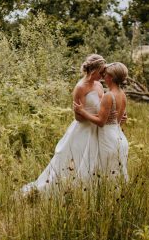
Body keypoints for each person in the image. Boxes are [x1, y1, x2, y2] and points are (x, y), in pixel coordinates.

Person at [21, 54, 106, 194]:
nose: (103, 74)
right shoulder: (80, 87)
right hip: (83, 130)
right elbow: (78, 116)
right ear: (93, 70)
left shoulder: (99, 85)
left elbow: (103, 105)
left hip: (97, 128)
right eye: (101, 71)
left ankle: (92, 190)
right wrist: (96, 117)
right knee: (76, 160)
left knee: (94, 161)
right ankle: (66, 189)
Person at [73, 62, 129, 180]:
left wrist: (82, 111)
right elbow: (117, 121)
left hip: (108, 139)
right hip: (119, 137)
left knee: (106, 174)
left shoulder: (109, 96)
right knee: (116, 175)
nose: (103, 76)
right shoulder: (122, 95)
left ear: (111, 78)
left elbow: (101, 122)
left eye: (106, 74)